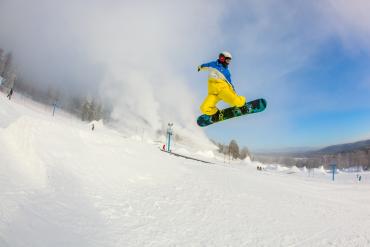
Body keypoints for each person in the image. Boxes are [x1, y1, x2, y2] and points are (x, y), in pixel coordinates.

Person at [198, 51, 246, 121]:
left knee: (236, 101)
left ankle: (242, 102)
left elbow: (230, 83)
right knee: (204, 108)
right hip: (213, 93)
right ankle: (216, 113)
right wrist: (200, 67)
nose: (225, 61)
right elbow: (205, 65)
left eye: (228, 60)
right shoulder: (213, 64)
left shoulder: (226, 72)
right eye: (222, 58)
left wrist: (233, 92)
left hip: (223, 90)